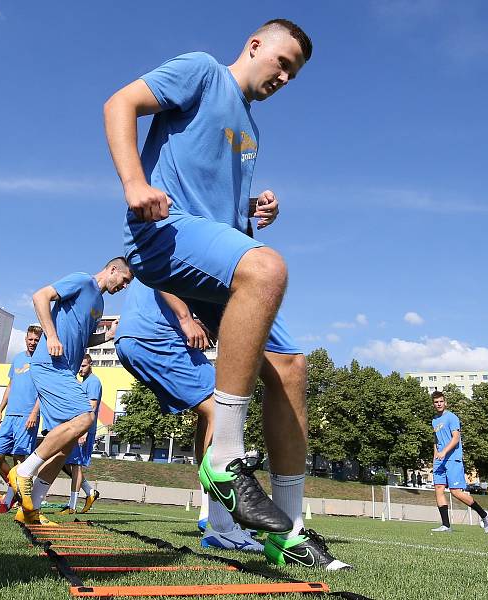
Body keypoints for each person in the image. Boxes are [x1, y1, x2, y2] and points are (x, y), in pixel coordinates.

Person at [104, 19, 347, 570]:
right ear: (255, 46)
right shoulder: (201, 72)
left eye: (295, 73)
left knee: (290, 365)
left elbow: (228, 221)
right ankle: (226, 457)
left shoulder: (253, 132)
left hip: (216, 253)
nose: (284, 77)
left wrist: (253, 214)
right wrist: (134, 184)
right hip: (161, 235)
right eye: (281, 62)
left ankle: (288, 527)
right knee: (269, 270)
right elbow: (119, 103)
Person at [114, 279, 261, 552]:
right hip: (154, 336)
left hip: (139, 337)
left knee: (211, 410)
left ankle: (210, 512)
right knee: (223, 408)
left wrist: (194, 320)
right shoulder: (195, 240)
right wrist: (185, 319)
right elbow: (164, 273)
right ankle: (222, 526)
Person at [7, 259, 133, 525]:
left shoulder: (99, 304)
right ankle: (24, 471)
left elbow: (84, 338)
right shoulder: (82, 280)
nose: (124, 286)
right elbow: (40, 296)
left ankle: (31, 510)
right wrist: (50, 336)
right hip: (51, 365)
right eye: (124, 280)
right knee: (86, 419)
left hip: (66, 371)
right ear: (113, 270)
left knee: (65, 446)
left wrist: (107, 336)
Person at [0, 325, 43, 513]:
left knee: (20, 460)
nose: (33, 343)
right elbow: (10, 386)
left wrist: (34, 413)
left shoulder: (43, 361)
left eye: (36, 340)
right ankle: (17, 490)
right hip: (10, 416)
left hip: (27, 417)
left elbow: (43, 392)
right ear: (26, 339)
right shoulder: (18, 358)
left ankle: (9, 500)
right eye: (30, 339)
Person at [430, 391, 488, 534]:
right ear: (433, 404)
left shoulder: (452, 417)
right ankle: (446, 525)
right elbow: (436, 441)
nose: (439, 404)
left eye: (441, 401)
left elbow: (456, 438)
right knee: (438, 489)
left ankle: (484, 515)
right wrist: (434, 458)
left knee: (455, 492)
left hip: (452, 459)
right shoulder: (434, 420)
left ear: (445, 402)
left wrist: (444, 452)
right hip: (439, 461)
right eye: (436, 402)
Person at [58, 354, 103, 515]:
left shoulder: (93, 382)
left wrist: (83, 431)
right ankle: (90, 492)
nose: (80, 369)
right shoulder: (84, 382)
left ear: (91, 364)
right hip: (77, 429)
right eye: (79, 366)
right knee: (64, 462)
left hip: (84, 431)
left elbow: (91, 406)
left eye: (83, 366)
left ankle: (72, 506)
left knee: (76, 465)